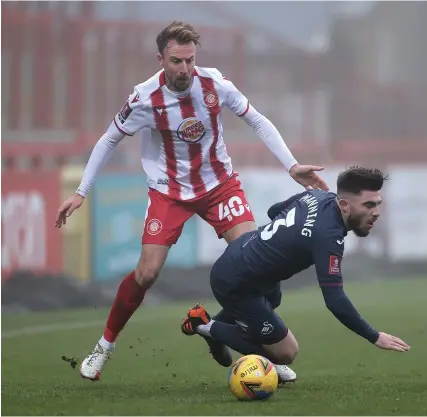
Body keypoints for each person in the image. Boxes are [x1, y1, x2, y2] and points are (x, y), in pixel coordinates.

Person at [55, 20, 328, 382]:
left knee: (260, 266)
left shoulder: (214, 83)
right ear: (161, 59)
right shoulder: (143, 98)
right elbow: (108, 140)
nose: (184, 69)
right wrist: (81, 192)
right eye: (176, 61)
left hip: (220, 186)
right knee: (147, 273)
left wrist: (291, 165)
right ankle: (104, 347)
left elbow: (257, 120)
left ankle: (233, 338)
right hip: (169, 192)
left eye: (190, 60)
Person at [181, 167, 410, 375]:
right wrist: (374, 335)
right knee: (287, 352)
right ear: (344, 206)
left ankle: (221, 329)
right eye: (369, 205)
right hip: (235, 282)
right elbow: (335, 300)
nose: (377, 212)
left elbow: (274, 211)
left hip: (242, 257)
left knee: (273, 299)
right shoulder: (328, 236)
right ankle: (204, 325)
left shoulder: (317, 195)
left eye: (378, 203)